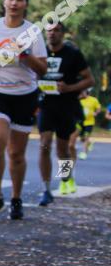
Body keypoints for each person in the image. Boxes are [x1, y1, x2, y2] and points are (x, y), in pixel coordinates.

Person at [0, 0, 48, 220]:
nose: (15, 3)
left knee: (17, 154)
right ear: (4, 2)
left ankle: (16, 199)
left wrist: (24, 55)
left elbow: (43, 70)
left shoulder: (33, 32)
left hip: (24, 96)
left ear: (25, 5)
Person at [36, 22, 93, 206]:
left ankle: (66, 179)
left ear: (63, 33)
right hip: (45, 105)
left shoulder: (73, 54)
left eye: (56, 30)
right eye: (49, 30)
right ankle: (46, 189)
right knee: (44, 144)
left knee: (62, 149)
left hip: (66, 106)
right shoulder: (40, 53)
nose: (52, 34)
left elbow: (88, 80)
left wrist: (69, 88)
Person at [75, 89, 101, 161]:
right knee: (82, 138)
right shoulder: (79, 100)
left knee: (86, 136)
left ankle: (84, 153)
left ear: (86, 92)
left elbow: (98, 108)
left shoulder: (93, 100)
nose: (81, 94)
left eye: (83, 92)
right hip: (80, 122)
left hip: (89, 122)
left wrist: (95, 113)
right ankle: (89, 143)